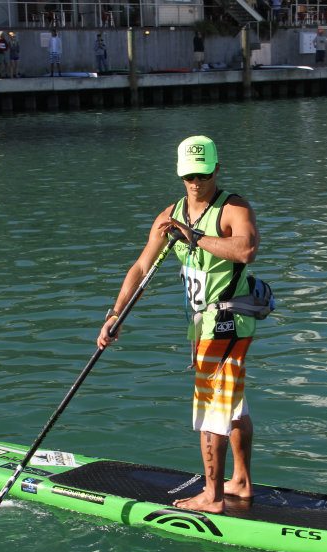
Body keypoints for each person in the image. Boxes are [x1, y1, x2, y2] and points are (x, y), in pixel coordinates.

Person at [96, 136, 261, 515]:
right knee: (233, 406)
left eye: (203, 175)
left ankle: (212, 496)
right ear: (180, 174)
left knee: (211, 410)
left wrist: (196, 238)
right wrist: (115, 314)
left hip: (228, 321)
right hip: (201, 324)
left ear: (216, 170)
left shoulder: (233, 208)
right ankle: (240, 481)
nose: (196, 183)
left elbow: (247, 249)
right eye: (189, 176)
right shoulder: (169, 216)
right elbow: (141, 267)